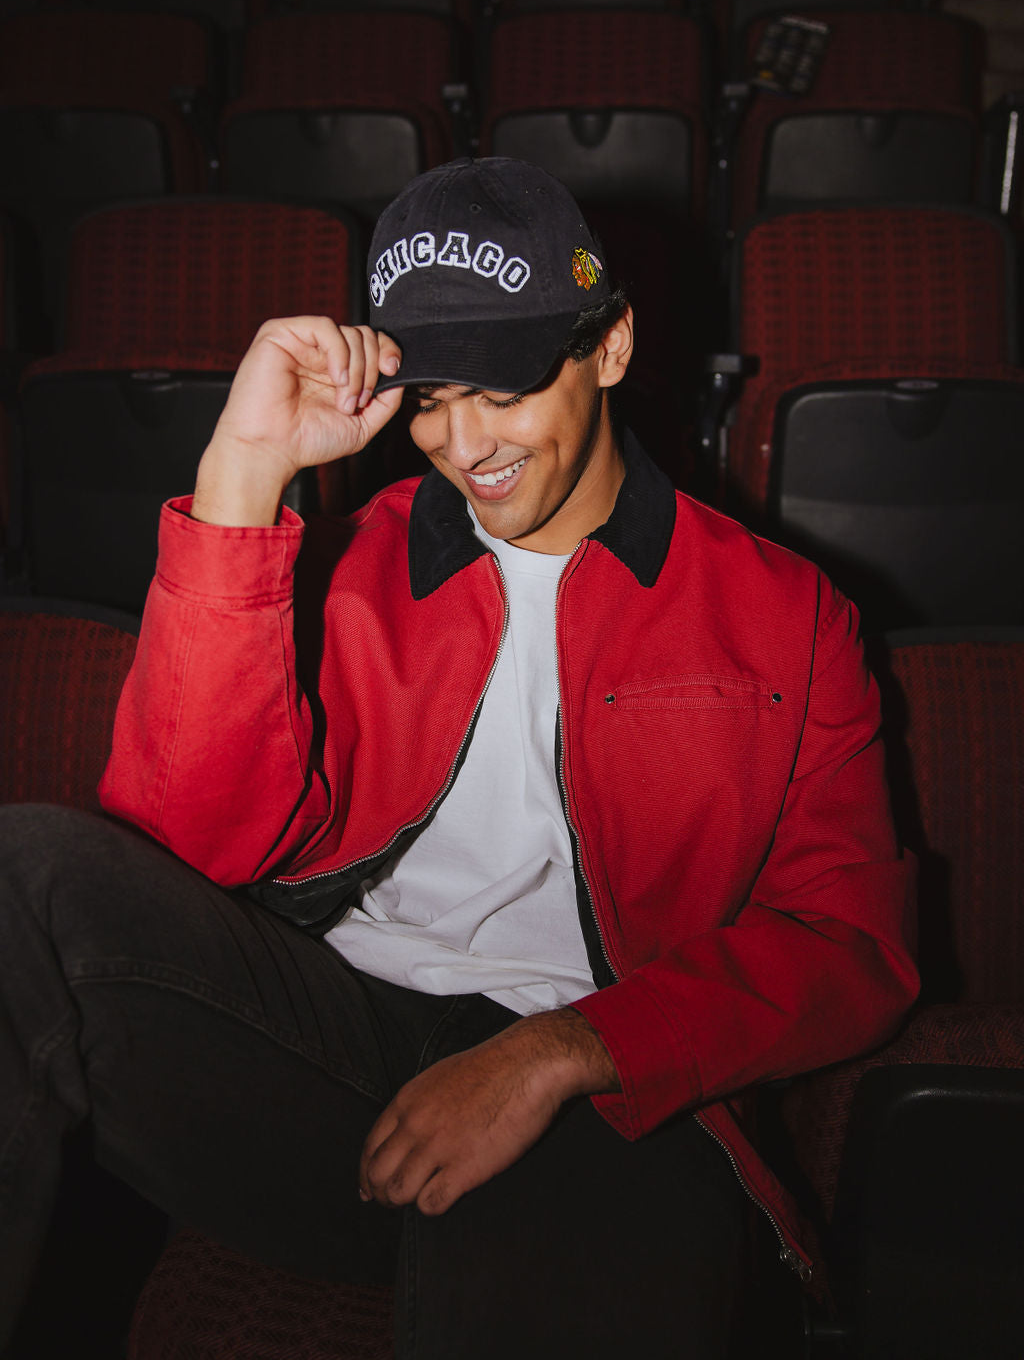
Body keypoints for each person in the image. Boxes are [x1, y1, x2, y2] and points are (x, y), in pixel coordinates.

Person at [0, 158, 917, 1358]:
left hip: (611, 1079)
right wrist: (241, 481)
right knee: (27, 873)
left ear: (613, 347)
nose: (462, 440)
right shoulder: (343, 563)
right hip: (333, 1055)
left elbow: (850, 942)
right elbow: (182, 845)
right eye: (428, 395)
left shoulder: (785, 612)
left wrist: (558, 1052)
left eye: (504, 386)